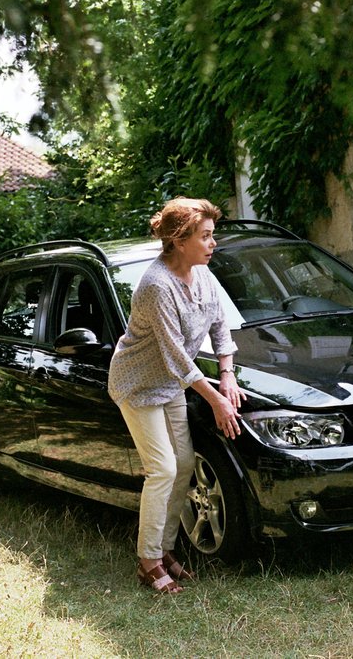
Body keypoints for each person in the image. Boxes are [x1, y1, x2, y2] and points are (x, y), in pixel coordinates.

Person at [107, 198, 245, 595]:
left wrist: (228, 375)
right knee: (163, 469)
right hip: (138, 383)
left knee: (183, 465)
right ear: (179, 240)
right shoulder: (156, 285)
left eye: (212, 235)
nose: (212, 243)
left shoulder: (203, 274)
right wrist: (215, 399)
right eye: (205, 236)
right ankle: (147, 560)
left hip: (172, 384)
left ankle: (165, 549)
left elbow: (221, 326)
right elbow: (176, 356)